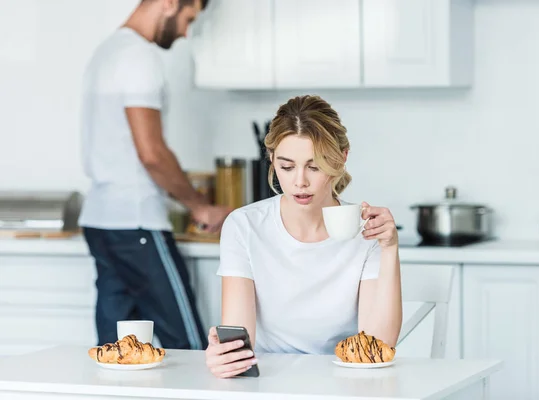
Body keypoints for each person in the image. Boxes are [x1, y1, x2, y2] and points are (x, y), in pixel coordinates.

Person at [204, 95, 403, 378]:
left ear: (341, 158)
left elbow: (377, 347)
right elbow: (240, 341)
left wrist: (390, 249)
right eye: (287, 167)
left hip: (344, 381)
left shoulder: (365, 230)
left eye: (315, 166)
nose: (300, 182)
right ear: (271, 159)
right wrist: (225, 357)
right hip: (268, 383)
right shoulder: (245, 225)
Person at [78, 0, 230, 350]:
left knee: (118, 352)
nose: (185, 32)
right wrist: (199, 206)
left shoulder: (106, 52)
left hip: (102, 222)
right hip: (136, 224)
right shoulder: (138, 57)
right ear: (170, 3)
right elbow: (152, 154)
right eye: (187, 19)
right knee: (190, 348)